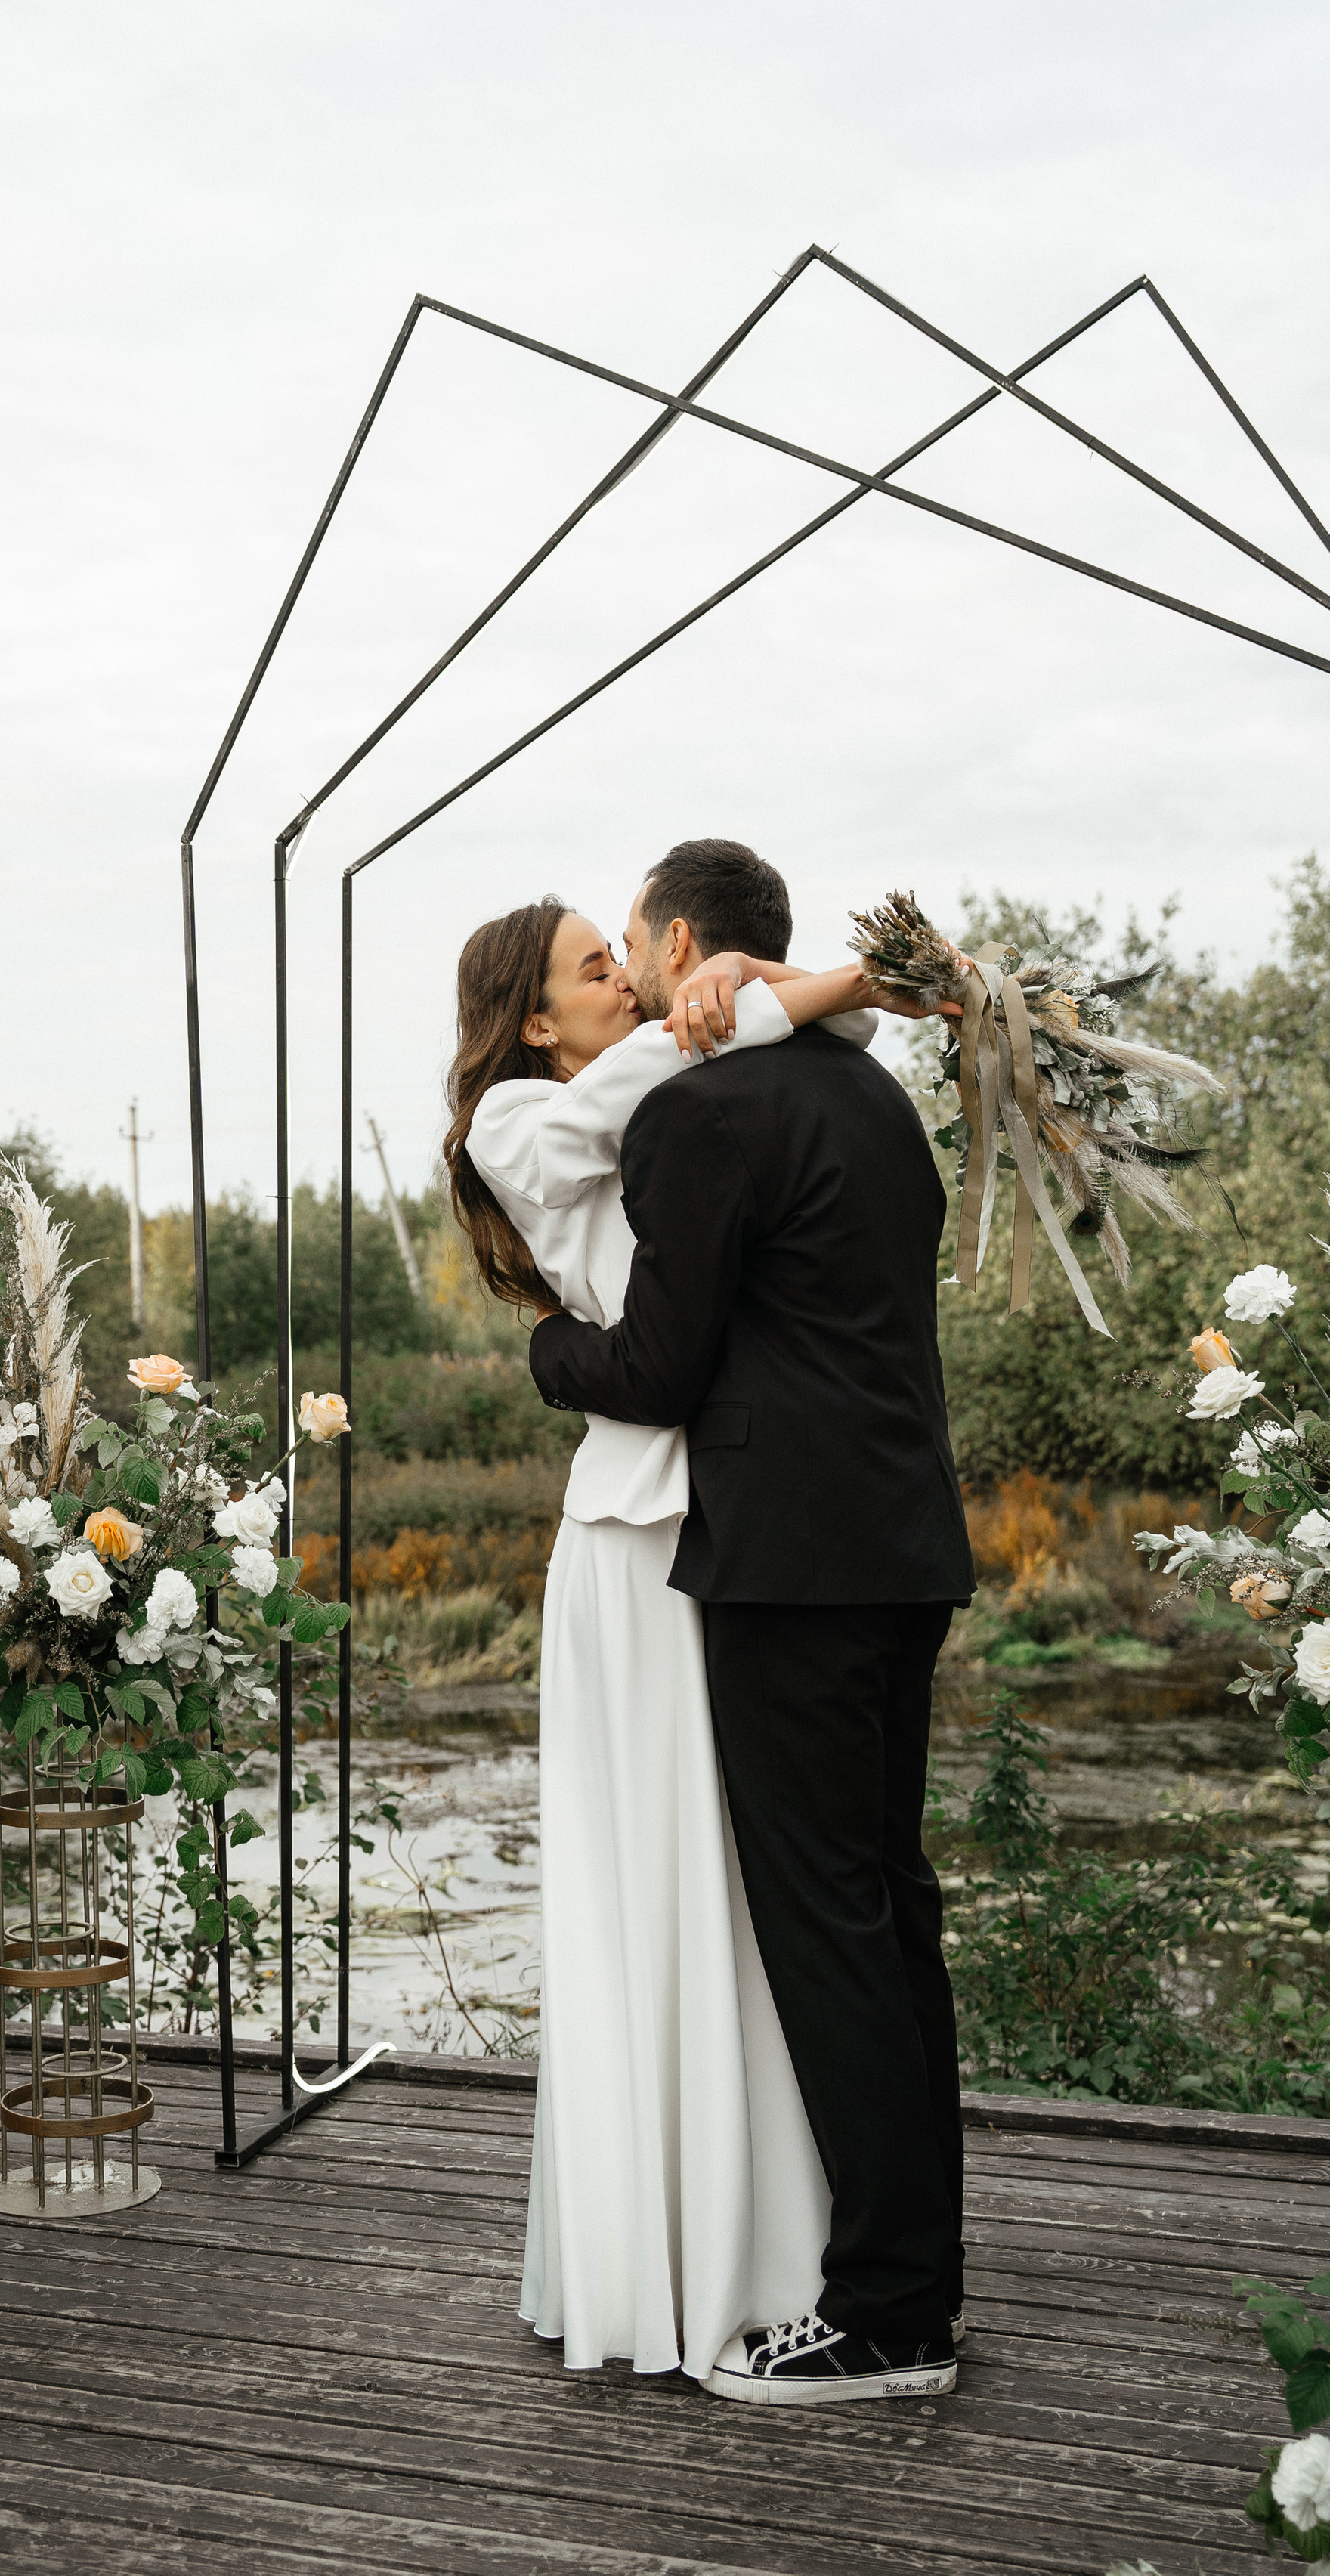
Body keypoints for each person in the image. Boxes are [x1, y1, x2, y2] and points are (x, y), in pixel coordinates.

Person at [530, 837, 974, 2407]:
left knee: (827, 1930)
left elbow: (652, 1366)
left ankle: (885, 2319)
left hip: (786, 1566)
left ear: (669, 945)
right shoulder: (874, 1102)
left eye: (633, 954)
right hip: (908, 1541)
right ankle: (919, 2276)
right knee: (890, 1912)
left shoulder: (696, 1116)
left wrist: (543, 1356)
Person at [444, 874, 876, 2379]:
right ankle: (651, 2262)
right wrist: (804, 981)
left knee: (737, 1888)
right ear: (527, 1016)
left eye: (620, 962)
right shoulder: (518, 1122)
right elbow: (666, 1066)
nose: (620, 984)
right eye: (586, 970)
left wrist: (764, 995)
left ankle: (762, 2245)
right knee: (651, 1884)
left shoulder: (667, 1102)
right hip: (629, 1547)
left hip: (723, 1522)